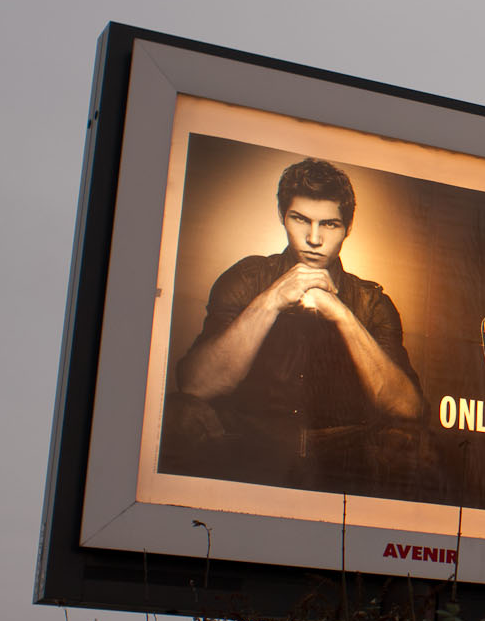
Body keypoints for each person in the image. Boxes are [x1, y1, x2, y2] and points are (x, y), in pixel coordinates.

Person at [161, 157, 427, 493]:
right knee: (179, 414)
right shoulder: (247, 280)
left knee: (414, 442)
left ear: (347, 228)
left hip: (342, 460)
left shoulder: (372, 303)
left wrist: (342, 314)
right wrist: (272, 299)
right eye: (300, 219)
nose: (314, 238)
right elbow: (197, 386)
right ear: (282, 217)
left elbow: (407, 408)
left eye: (329, 225)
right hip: (249, 447)